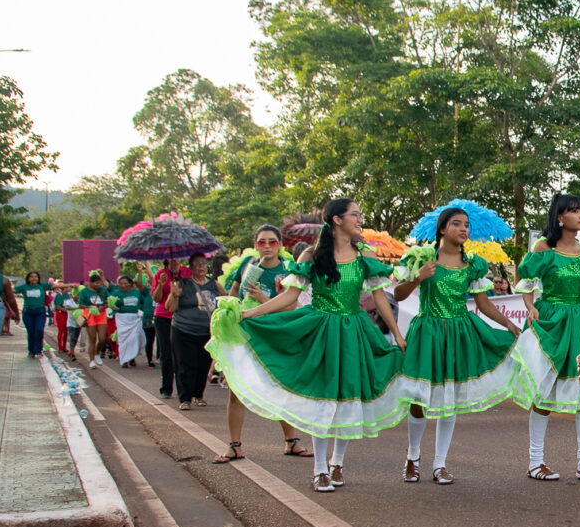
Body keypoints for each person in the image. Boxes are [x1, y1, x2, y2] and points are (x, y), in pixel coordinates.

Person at [207, 198, 408, 492]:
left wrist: (397, 334)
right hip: (322, 331)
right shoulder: (311, 257)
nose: (360, 219)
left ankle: (338, 463)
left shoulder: (364, 257)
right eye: (355, 214)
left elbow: (380, 299)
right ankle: (320, 469)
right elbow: (289, 297)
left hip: (354, 332)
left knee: (349, 397)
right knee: (324, 400)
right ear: (337, 220)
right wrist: (249, 313)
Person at [392, 207, 524, 484]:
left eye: (466, 225)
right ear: (442, 229)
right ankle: (413, 457)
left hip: (458, 333)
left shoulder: (473, 264)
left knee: (449, 397)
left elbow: (483, 303)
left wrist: (508, 324)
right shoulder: (422, 257)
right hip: (427, 331)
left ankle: (440, 464)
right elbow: (399, 294)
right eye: (456, 224)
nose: (463, 229)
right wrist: (418, 277)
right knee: (419, 398)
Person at [514, 194, 580, 482]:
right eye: (574, 210)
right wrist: (530, 306)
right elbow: (527, 284)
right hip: (552, 322)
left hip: (579, 322)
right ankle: (535, 461)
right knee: (544, 392)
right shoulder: (544, 248)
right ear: (559, 217)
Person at [212, 225, 312, 463]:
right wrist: (230, 313)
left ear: (280, 245)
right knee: (236, 391)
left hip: (274, 333)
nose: (266, 246)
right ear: (255, 244)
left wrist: (262, 299)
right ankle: (234, 446)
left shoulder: (287, 270)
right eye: (261, 242)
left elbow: (291, 305)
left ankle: (291, 442)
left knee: (280, 387)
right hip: (245, 332)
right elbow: (234, 293)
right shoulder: (248, 265)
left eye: (272, 242)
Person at [167, 254, 221, 409]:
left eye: (203, 263)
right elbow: (170, 307)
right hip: (183, 330)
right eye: (197, 264)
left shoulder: (214, 285)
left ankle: (198, 395)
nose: (201, 267)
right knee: (185, 364)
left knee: (202, 365)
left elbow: (226, 300)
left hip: (206, 331)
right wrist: (174, 295)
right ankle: (185, 399)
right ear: (190, 268)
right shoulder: (182, 284)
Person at [152, 259, 179, 396]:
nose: (176, 261)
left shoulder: (186, 272)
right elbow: (156, 298)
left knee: (181, 354)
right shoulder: (160, 274)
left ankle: (185, 391)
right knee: (166, 353)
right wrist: (160, 285)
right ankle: (166, 388)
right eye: (172, 259)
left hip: (182, 317)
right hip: (163, 317)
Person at [111, 272, 148, 366]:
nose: (123, 285)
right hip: (122, 318)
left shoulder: (136, 292)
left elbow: (143, 302)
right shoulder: (116, 293)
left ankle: (132, 357)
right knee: (123, 340)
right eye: (121, 284)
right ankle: (124, 360)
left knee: (135, 338)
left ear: (130, 283)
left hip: (135, 319)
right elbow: (111, 304)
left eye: (125, 283)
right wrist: (114, 307)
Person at [17, 272, 54, 359]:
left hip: (40, 312)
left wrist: (71, 284)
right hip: (28, 312)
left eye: (36, 277)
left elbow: (55, 286)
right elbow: (11, 289)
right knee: (31, 332)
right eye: (31, 277)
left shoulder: (42, 286)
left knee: (39, 330)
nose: (34, 278)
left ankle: (38, 350)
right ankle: (31, 351)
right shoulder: (24, 287)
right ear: (28, 278)